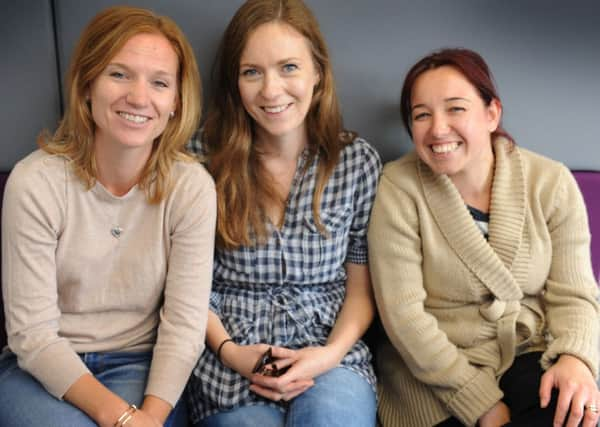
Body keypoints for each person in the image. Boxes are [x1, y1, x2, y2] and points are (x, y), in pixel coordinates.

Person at [0, 6, 216, 427]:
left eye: (159, 83)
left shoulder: (191, 188)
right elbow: (32, 335)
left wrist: (150, 418)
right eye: (118, 74)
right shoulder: (35, 183)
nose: (138, 97)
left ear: (176, 102)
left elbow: (185, 326)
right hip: (40, 370)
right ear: (86, 86)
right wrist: (121, 419)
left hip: (143, 368)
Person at [367, 47, 600, 427]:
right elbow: (405, 317)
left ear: (492, 113)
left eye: (455, 108)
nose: (438, 128)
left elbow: (574, 294)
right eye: (421, 115)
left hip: (529, 355)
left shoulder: (551, 182)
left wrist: (576, 358)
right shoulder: (399, 188)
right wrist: (483, 405)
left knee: (576, 416)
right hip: (434, 375)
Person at [186, 0, 381, 425]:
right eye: (252, 71)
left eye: (288, 67)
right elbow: (185, 282)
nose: (271, 91)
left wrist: (328, 355)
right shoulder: (201, 159)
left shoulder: (355, 162)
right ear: (235, 83)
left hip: (328, 353)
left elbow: (360, 290)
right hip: (230, 359)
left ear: (318, 74)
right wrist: (231, 352)